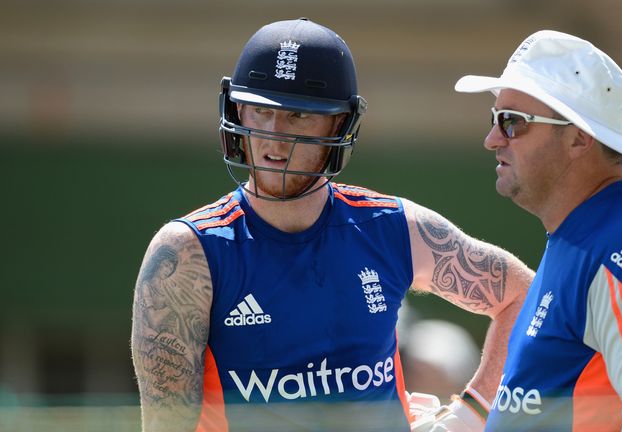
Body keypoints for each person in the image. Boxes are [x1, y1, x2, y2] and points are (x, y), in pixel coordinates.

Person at [130, 18, 533, 432]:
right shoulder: (188, 253)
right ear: (236, 111)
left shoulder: (391, 227)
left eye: (298, 115)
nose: (272, 137)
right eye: (260, 110)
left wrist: (471, 414)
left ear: (339, 124)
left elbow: (526, 297)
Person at [454, 30, 622, 431]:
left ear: (578, 139)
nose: (492, 139)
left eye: (512, 123)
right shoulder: (582, 238)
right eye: (494, 119)